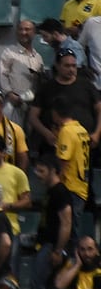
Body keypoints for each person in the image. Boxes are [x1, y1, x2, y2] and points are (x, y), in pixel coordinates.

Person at [28, 50, 100, 158]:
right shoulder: (46, 88)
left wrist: (97, 133)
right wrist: (46, 133)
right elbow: (33, 117)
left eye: (73, 66)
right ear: (57, 66)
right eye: (67, 66)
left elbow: (100, 110)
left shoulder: (87, 86)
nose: (71, 69)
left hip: (84, 144)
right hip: (55, 146)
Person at [32, 154, 73, 289]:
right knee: (51, 287)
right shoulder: (50, 191)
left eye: (41, 171)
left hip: (52, 246)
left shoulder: (60, 191)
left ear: (53, 171)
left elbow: (66, 223)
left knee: (36, 283)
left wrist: (58, 251)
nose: (37, 174)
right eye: (36, 170)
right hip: (45, 243)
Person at [52, 97, 92, 236]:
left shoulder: (67, 131)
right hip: (81, 186)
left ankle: (71, 258)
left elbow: (64, 160)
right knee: (73, 231)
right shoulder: (81, 129)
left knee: (66, 232)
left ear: (55, 113)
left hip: (70, 187)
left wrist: (57, 185)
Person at [0, 20, 42, 125]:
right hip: (13, 103)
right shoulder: (9, 53)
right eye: (20, 29)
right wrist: (9, 94)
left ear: (34, 32)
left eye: (27, 29)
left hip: (33, 105)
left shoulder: (38, 57)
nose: (23, 32)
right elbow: (2, 75)